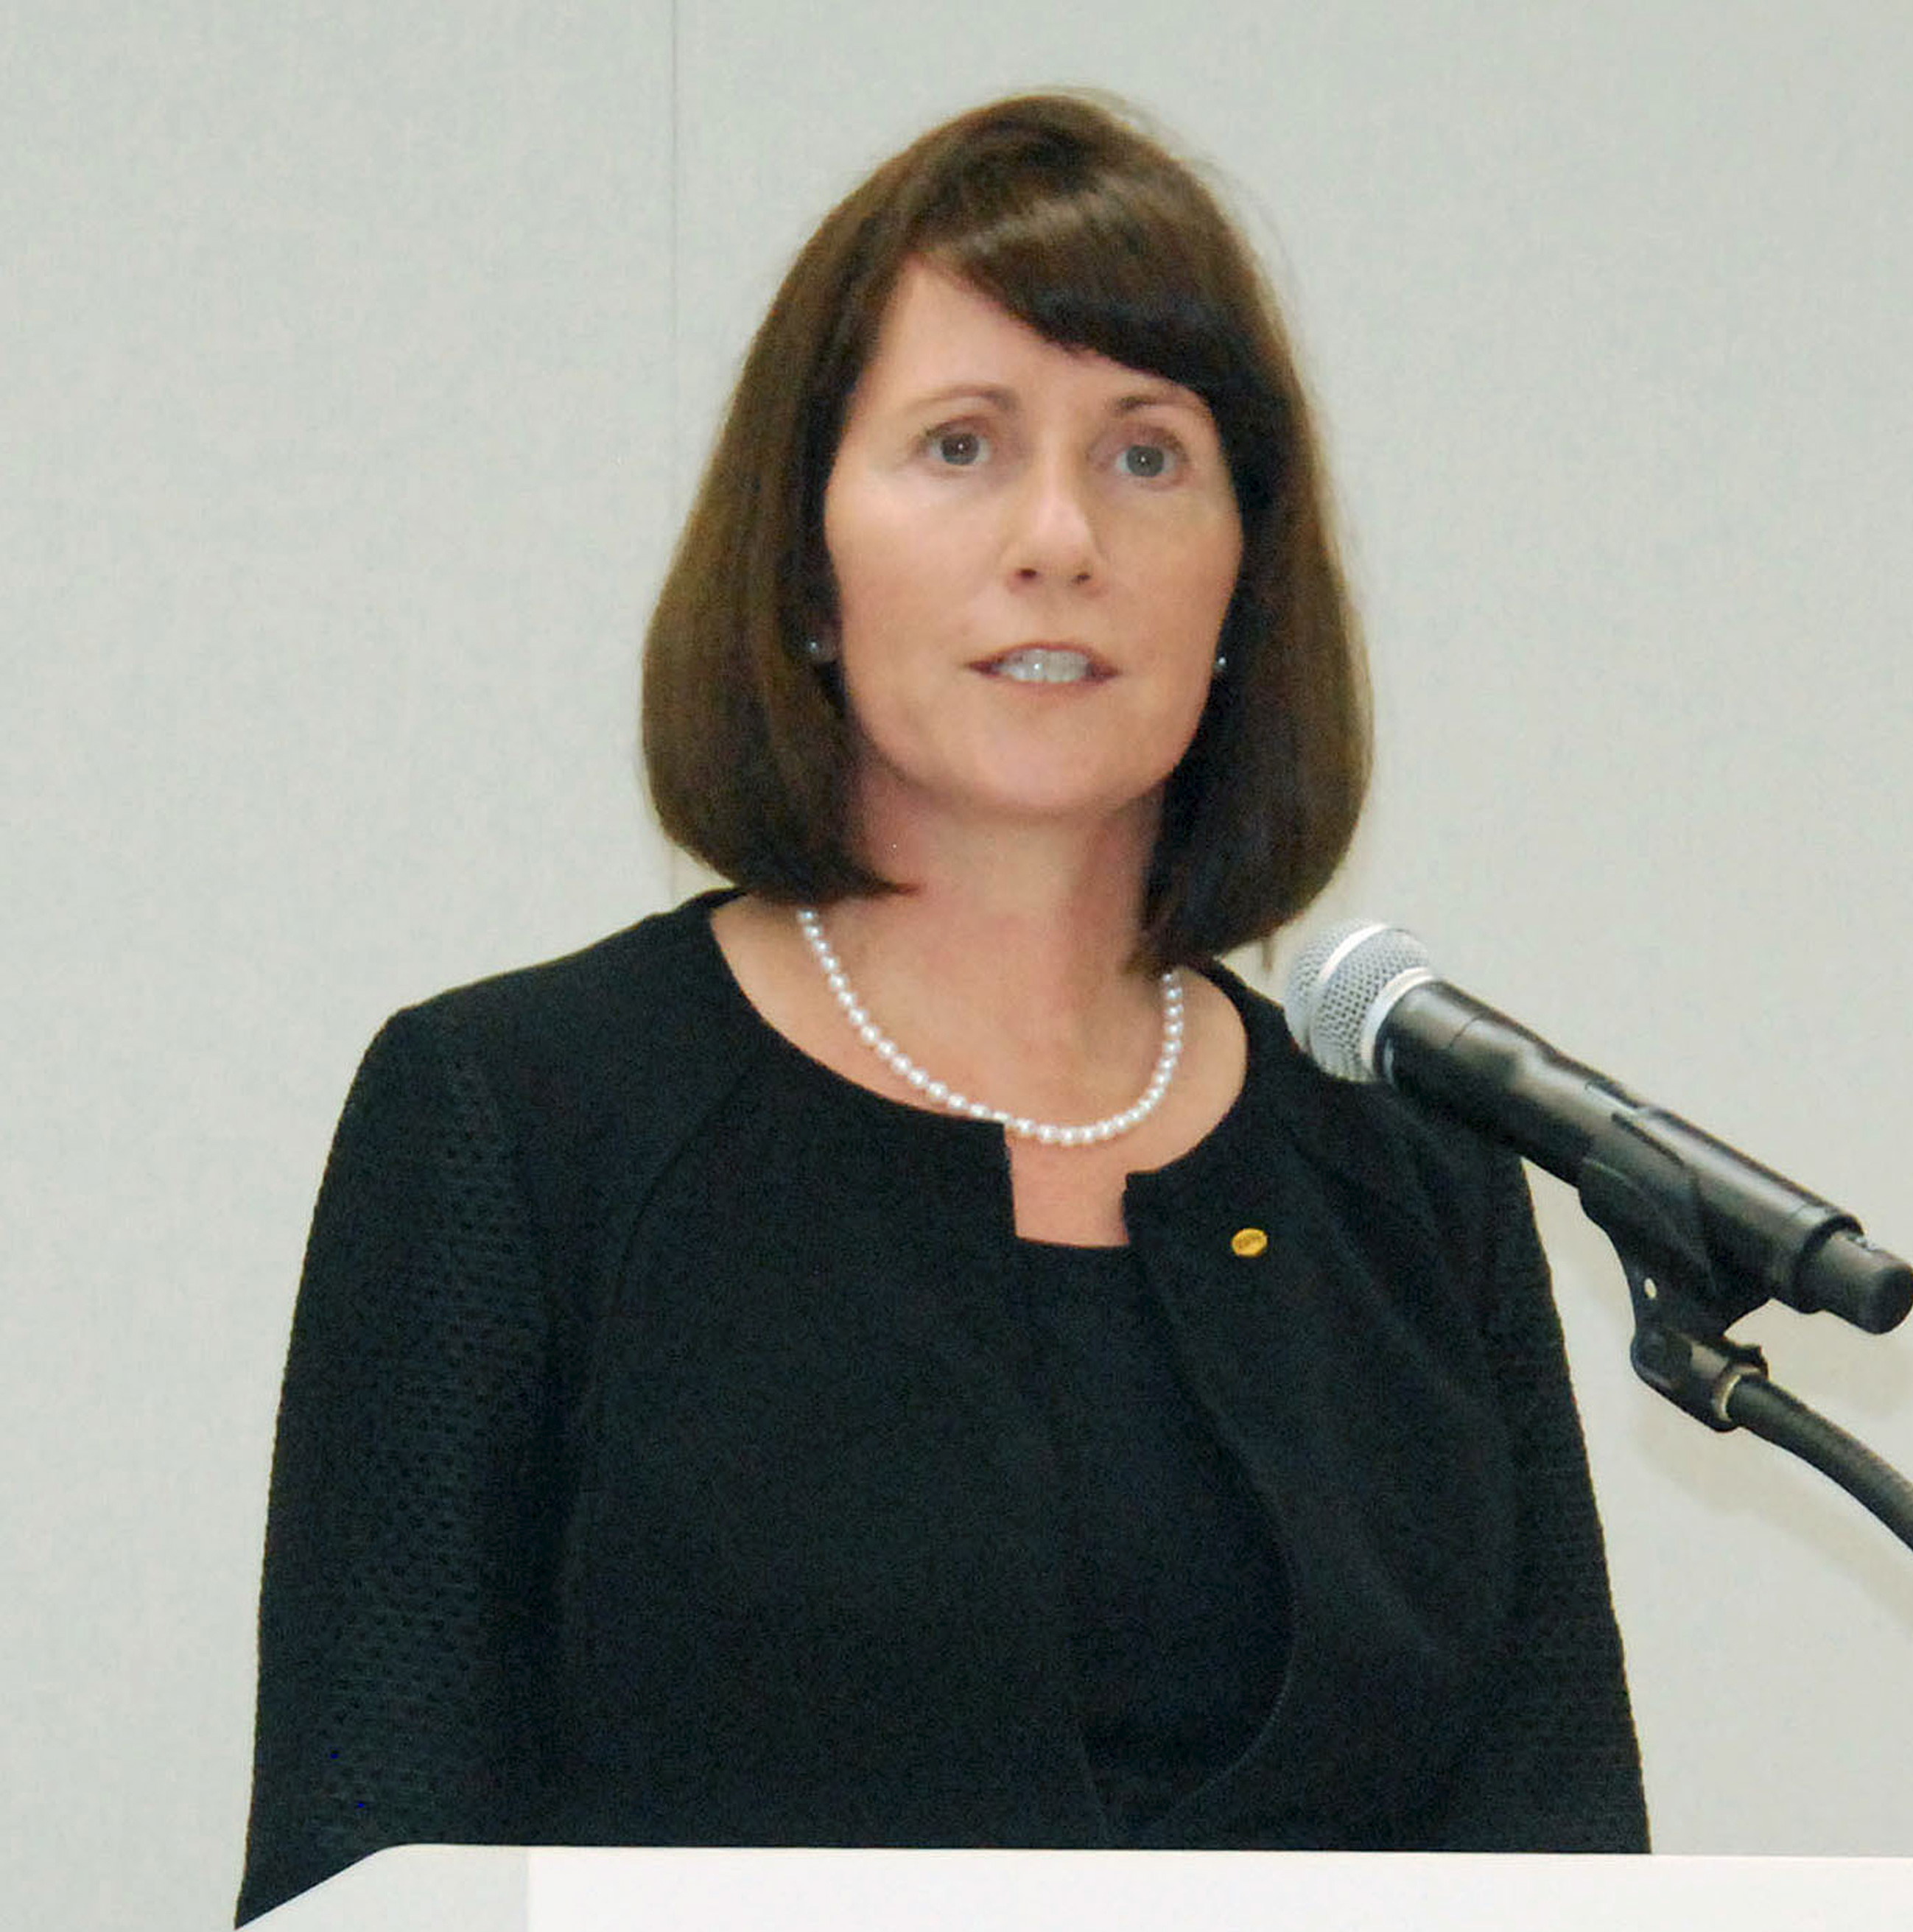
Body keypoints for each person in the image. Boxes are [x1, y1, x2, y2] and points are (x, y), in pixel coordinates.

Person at [236, 91, 1646, 1925]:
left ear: (1244, 580)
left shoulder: (1413, 1184)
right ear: (808, 569)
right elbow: (361, 1870)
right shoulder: (521, 1122)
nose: (1061, 535)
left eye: (1148, 455)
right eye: (963, 444)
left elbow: (1567, 1868)